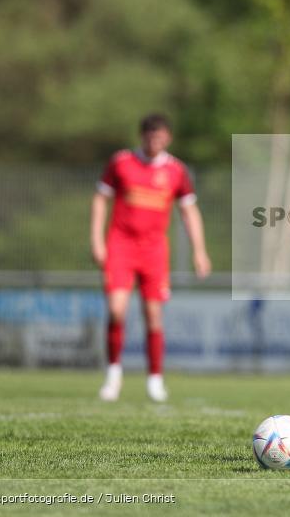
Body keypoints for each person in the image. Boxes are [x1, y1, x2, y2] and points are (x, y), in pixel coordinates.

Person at [91, 114, 211, 402]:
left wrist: (199, 250)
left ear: (167, 138)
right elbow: (100, 198)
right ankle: (113, 376)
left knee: (153, 316)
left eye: (160, 137)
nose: (154, 142)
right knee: (117, 309)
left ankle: (155, 379)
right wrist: (97, 240)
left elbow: (189, 211)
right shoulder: (121, 162)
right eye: (150, 136)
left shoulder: (176, 171)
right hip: (121, 245)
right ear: (142, 136)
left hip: (154, 250)